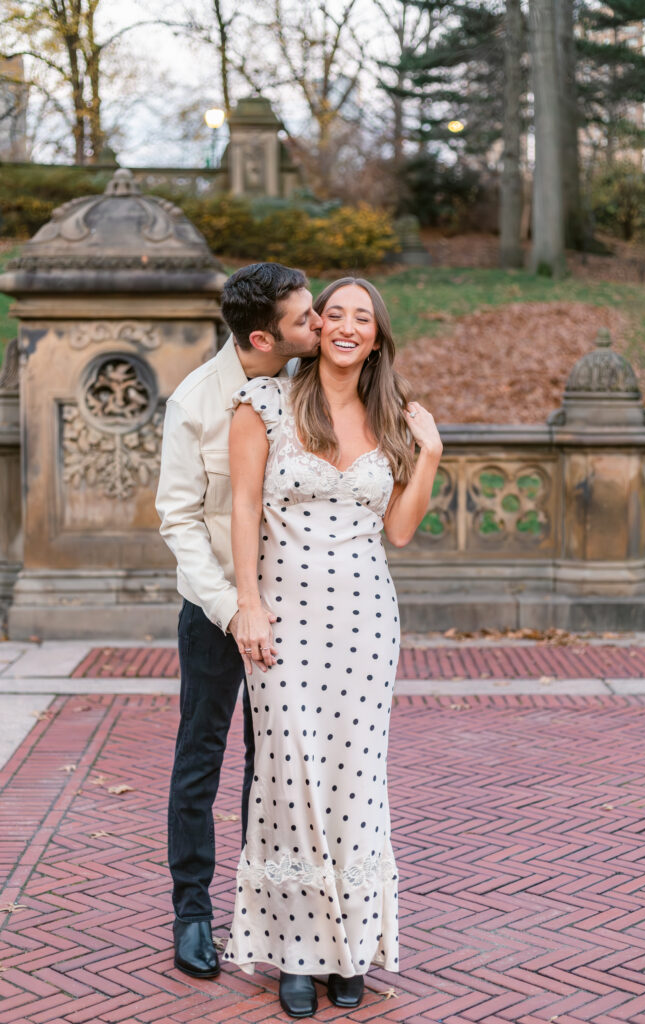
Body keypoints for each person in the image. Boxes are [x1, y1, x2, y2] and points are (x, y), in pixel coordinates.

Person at [224, 277, 443, 1017]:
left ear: (376, 337)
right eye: (335, 314)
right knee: (287, 778)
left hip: (365, 622)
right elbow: (244, 508)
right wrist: (246, 606)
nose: (346, 326)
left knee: (355, 782)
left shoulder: (392, 419)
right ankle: (292, 954)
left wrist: (432, 453)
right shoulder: (265, 406)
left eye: (363, 317)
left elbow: (402, 530)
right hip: (282, 619)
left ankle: (349, 951)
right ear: (316, 329)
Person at [155, 263, 323, 980]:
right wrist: (231, 609)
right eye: (305, 318)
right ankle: (192, 912)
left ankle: (274, 916)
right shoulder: (196, 401)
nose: (318, 326)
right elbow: (179, 519)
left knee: (278, 768)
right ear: (262, 335)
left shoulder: (313, 390)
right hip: (216, 610)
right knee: (201, 758)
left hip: (299, 612)